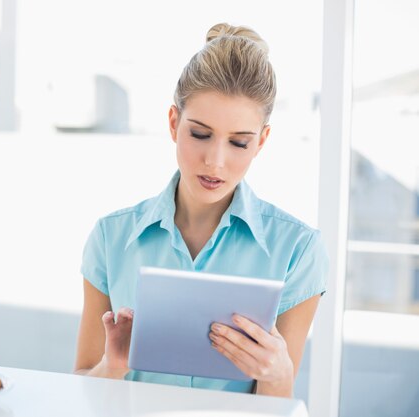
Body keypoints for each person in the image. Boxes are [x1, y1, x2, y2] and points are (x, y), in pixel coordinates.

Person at [73, 23, 328, 398]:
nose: (215, 161)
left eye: (239, 142)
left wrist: (276, 376)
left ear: (261, 142)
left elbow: (274, 404)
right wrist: (112, 367)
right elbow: (79, 387)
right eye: (200, 134)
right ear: (174, 123)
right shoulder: (111, 236)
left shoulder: (298, 249)